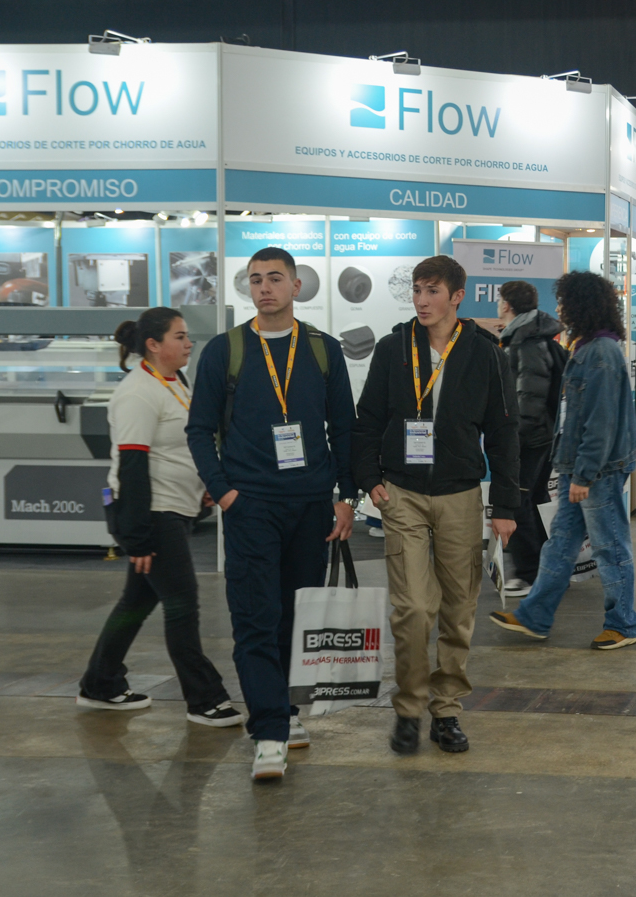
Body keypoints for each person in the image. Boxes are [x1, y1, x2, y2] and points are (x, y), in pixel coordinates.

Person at [186, 247, 356, 781]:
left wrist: (347, 497)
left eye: (275, 278)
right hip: (251, 505)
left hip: (311, 505)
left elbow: (344, 428)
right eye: (256, 279)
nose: (264, 288)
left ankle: (284, 708)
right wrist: (225, 493)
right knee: (256, 618)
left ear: (296, 286)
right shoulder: (225, 350)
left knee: (295, 617)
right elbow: (199, 429)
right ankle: (269, 732)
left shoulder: (323, 350)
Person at [352, 255, 519, 756]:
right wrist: (369, 480)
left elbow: (503, 431)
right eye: (417, 291)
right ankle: (408, 708)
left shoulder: (486, 353)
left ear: (456, 296)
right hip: (401, 493)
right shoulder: (393, 348)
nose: (421, 301)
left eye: (432, 291)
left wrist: (505, 504)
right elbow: (368, 418)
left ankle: (445, 710)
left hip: (461, 495)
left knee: (458, 608)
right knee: (413, 609)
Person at [78, 308, 242, 729]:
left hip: (173, 508)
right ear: (153, 345)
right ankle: (205, 698)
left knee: (136, 602)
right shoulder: (137, 393)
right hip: (151, 514)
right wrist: (137, 537)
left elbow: (181, 447)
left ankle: (100, 683)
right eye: (180, 336)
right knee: (182, 604)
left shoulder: (174, 381)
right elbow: (132, 466)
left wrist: (202, 484)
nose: (189, 343)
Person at [489, 271, 636, 650]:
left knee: (610, 547)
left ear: (581, 305)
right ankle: (535, 617)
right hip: (580, 468)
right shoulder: (588, 348)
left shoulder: (601, 353)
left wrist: (584, 475)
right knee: (559, 544)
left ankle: (623, 624)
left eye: (564, 302)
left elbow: (600, 422)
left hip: (597, 472)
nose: (559, 309)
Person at [496, 279, 566, 596]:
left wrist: (515, 440)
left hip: (530, 439)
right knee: (534, 501)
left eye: (500, 300)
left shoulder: (526, 342)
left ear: (507, 305)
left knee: (518, 502)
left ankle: (528, 574)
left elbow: (529, 397)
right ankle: (546, 569)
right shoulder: (527, 337)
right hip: (540, 436)